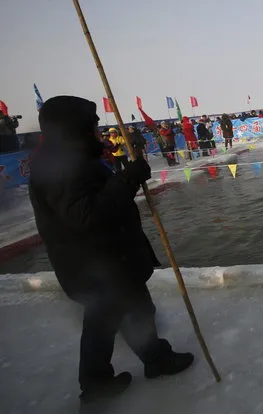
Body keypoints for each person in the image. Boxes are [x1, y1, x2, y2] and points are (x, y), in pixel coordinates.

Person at [29, 96, 194, 404]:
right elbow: (86, 215)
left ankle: (151, 359)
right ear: (73, 129)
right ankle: (99, 383)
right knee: (107, 323)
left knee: (129, 313)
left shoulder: (71, 159)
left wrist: (124, 178)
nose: (98, 131)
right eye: (92, 126)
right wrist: (128, 179)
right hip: (97, 266)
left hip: (106, 262)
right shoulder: (61, 168)